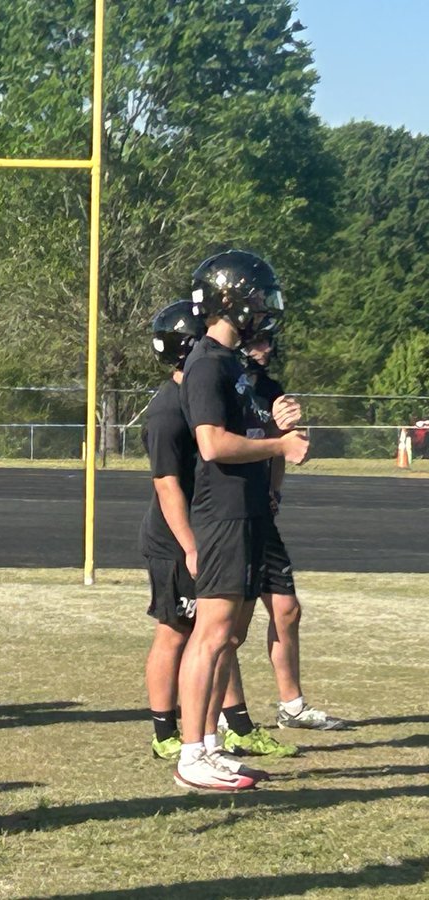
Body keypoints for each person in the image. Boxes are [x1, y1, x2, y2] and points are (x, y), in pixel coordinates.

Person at [175, 249, 309, 792]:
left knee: (226, 636)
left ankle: (209, 745)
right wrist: (279, 445)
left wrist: (278, 424)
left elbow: (248, 433)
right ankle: (191, 754)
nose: (263, 308)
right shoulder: (208, 362)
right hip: (224, 515)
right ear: (231, 300)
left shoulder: (234, 365)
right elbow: (211, 444)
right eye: (256, 297)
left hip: (246, 512)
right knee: (210, 635)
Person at [231, 333, 346, 733]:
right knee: (231, 625)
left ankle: (292, 706)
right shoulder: (223, 381)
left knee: (287, 609)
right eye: (259, 341)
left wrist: (275, 488)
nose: (267, 349)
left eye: (269, 340)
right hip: (231, 513)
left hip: (260, 511)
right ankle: (225, 714)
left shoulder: (269, 388)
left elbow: (286, 447)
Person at [139, 300, 204, 762]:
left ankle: (219, 722)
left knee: (207, 632)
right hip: (174, 541)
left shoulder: (199, 399)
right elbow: (166, 484)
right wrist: (190, 546)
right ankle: (164, 731)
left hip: (202, 534)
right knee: (175, 631)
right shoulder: (167, 412)